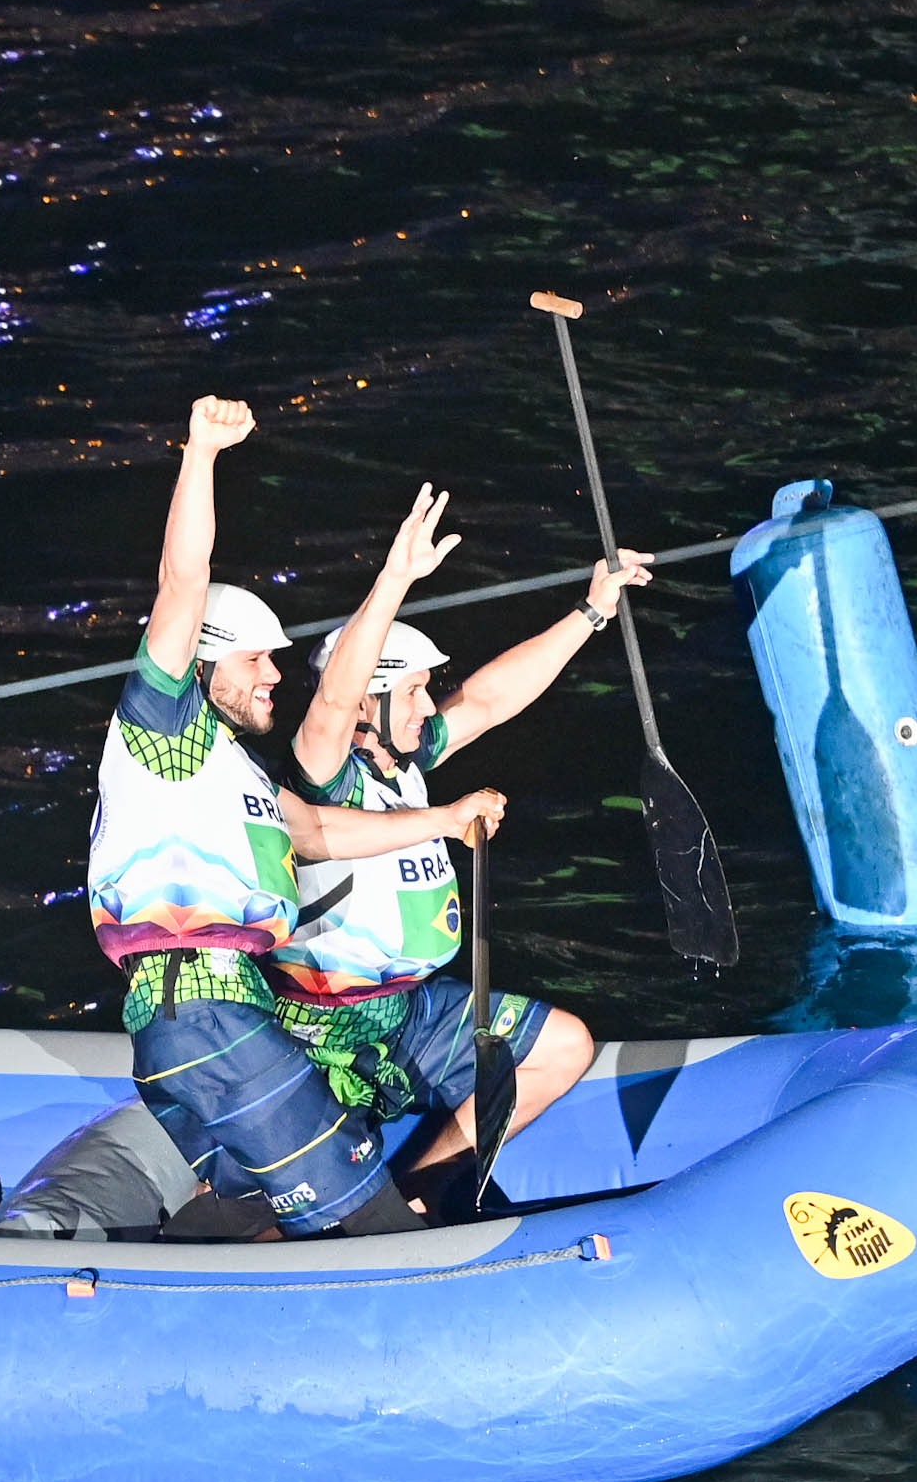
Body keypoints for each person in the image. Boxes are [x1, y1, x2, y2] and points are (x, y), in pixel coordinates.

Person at [84, 398, 503, 1240]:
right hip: (204, 1009)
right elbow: (182, 583)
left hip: (216, 1012)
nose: (275, 674)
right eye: (255, 660)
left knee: (246, 1211)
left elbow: (320, 833)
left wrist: (443, 819)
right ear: (204, 664)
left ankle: (145, 1287)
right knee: (368, 1218)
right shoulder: (164, 730)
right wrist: (201, 452)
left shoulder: (234, 771)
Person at [276, 488, 653, 1209]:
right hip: (324, 1034)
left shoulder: (408, 766)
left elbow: (489, 699)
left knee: (565, 1046)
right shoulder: (325, 774)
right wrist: (396, 577)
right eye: (414, 691)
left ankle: (420, 1188)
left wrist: (592, 609)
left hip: (413, 1013)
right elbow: (332, 701)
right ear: (369, 702)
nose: (429, 705)